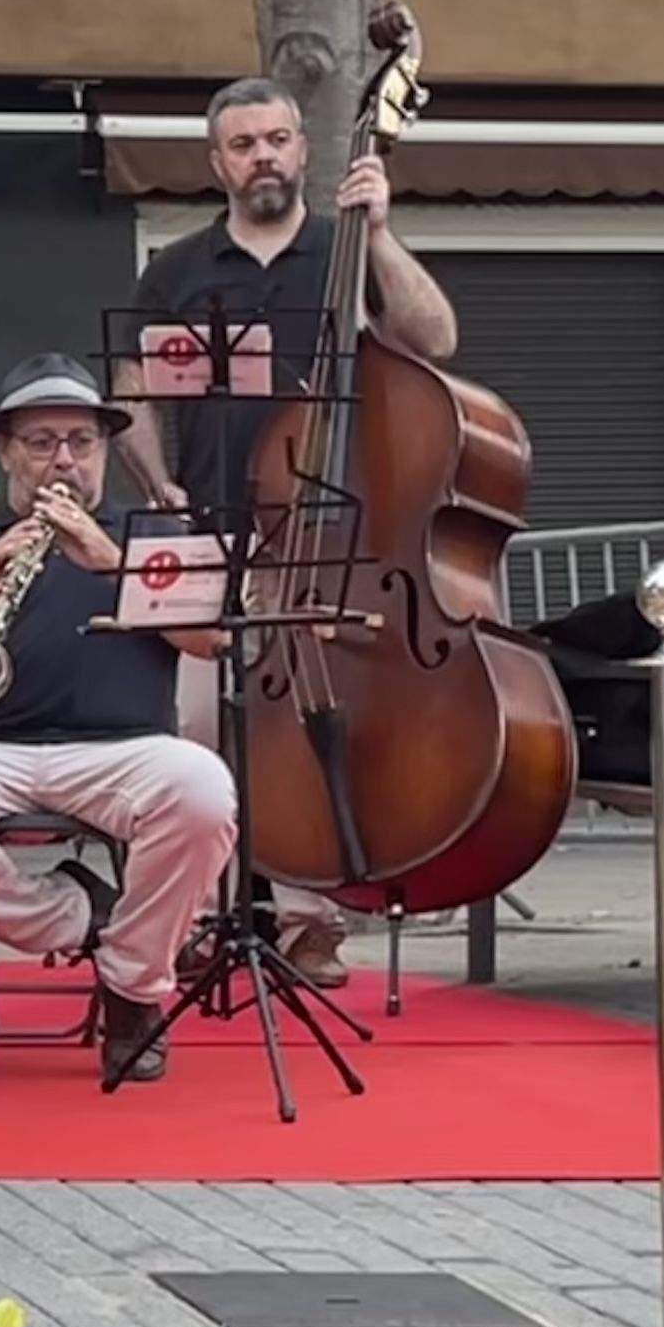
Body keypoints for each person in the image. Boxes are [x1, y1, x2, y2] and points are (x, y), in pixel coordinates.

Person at [113, 75, 456, 987]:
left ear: (304, 149)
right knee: (194, 733)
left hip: (336, 542)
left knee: (311, 723)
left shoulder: (345, 252)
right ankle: (205, 916)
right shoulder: (175, 270)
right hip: (213, 529)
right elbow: (132, 389)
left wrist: (380, 235)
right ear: (215, 162)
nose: (262, 156)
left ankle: (312, 920)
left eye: (277, 139)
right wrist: (159, 481)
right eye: (243, 143)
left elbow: (436, 339)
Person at [0, 354, 236, 1083]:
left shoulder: (150, 531)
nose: (62, 459)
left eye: (80, 441)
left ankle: (133, 990)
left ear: (104, 452)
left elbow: (212, 636)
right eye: (40, 442)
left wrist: (108, 563)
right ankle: (82, 924)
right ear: (5, 451)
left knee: (205, 795)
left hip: (123, 746)